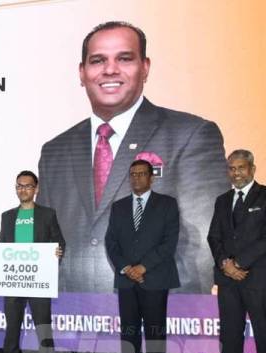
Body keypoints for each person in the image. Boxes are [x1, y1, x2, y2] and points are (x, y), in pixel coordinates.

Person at [38, 21, 228, 294]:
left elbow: (202, 247)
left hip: (155, 310)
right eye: (98, 60)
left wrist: (164, 311)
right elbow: (47, 243)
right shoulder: (54, 150)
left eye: (124, 58)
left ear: (145, 67)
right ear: (82, 73)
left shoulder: (190, 135)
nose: (110, 69)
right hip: (72, 313)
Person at [0, 170, 65, 353]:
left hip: (38, 283)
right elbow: (2, 244)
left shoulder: (47, 214)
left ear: (36, 189)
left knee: (43, 331)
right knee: (11, 331)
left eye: (28, 186)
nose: (23, 189)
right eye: (19, 186)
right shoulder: (8, 216)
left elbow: (59, 242)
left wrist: (57, 252)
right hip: (13, 283)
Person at [105, 160, 180, 353]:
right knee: (129, 334)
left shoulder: (167, 204)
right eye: (133, 174)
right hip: (127, 281)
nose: (136, 178)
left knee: (155, 334)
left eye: (141, 174)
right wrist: (127, 268)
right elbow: (111, 243)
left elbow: (169, 243)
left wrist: (143, 267)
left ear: (151, 177)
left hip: (155, 279)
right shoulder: (118, 207)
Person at [207, 149, 266, 353]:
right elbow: (214, 237)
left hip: (258, 280)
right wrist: (225, 264)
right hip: (228, 280)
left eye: (241, 168)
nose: (236, 173)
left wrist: (240, 263)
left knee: (263, 337)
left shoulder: (264, 196)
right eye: (231, 168)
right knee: (229, 337)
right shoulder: (222, 200)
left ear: (252, 169)